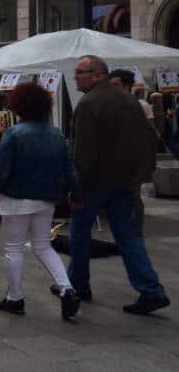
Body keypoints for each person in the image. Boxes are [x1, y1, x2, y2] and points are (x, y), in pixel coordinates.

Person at [68, 55, 169, 315]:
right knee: (128, 237)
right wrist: (140, 177)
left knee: (79, 234)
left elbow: (83, 152)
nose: (76, 76)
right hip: (124, 184)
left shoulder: (89, 103)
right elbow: (149, 140)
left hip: (94, 184)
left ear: (98, 75)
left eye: (81, 72)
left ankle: (78, 286)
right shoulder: (129, 101)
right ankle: (151, 289)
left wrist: (75, 187)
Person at [0, 82, 82, 320]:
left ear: (19, 106)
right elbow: (69, 170)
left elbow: (3, 169)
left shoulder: (14, 133)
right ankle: (66, 288)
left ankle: (15, 298)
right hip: (46, 198)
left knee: (13, 249)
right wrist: (76, 193)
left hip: (15, 198)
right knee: (43, 246)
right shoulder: (56, 134)